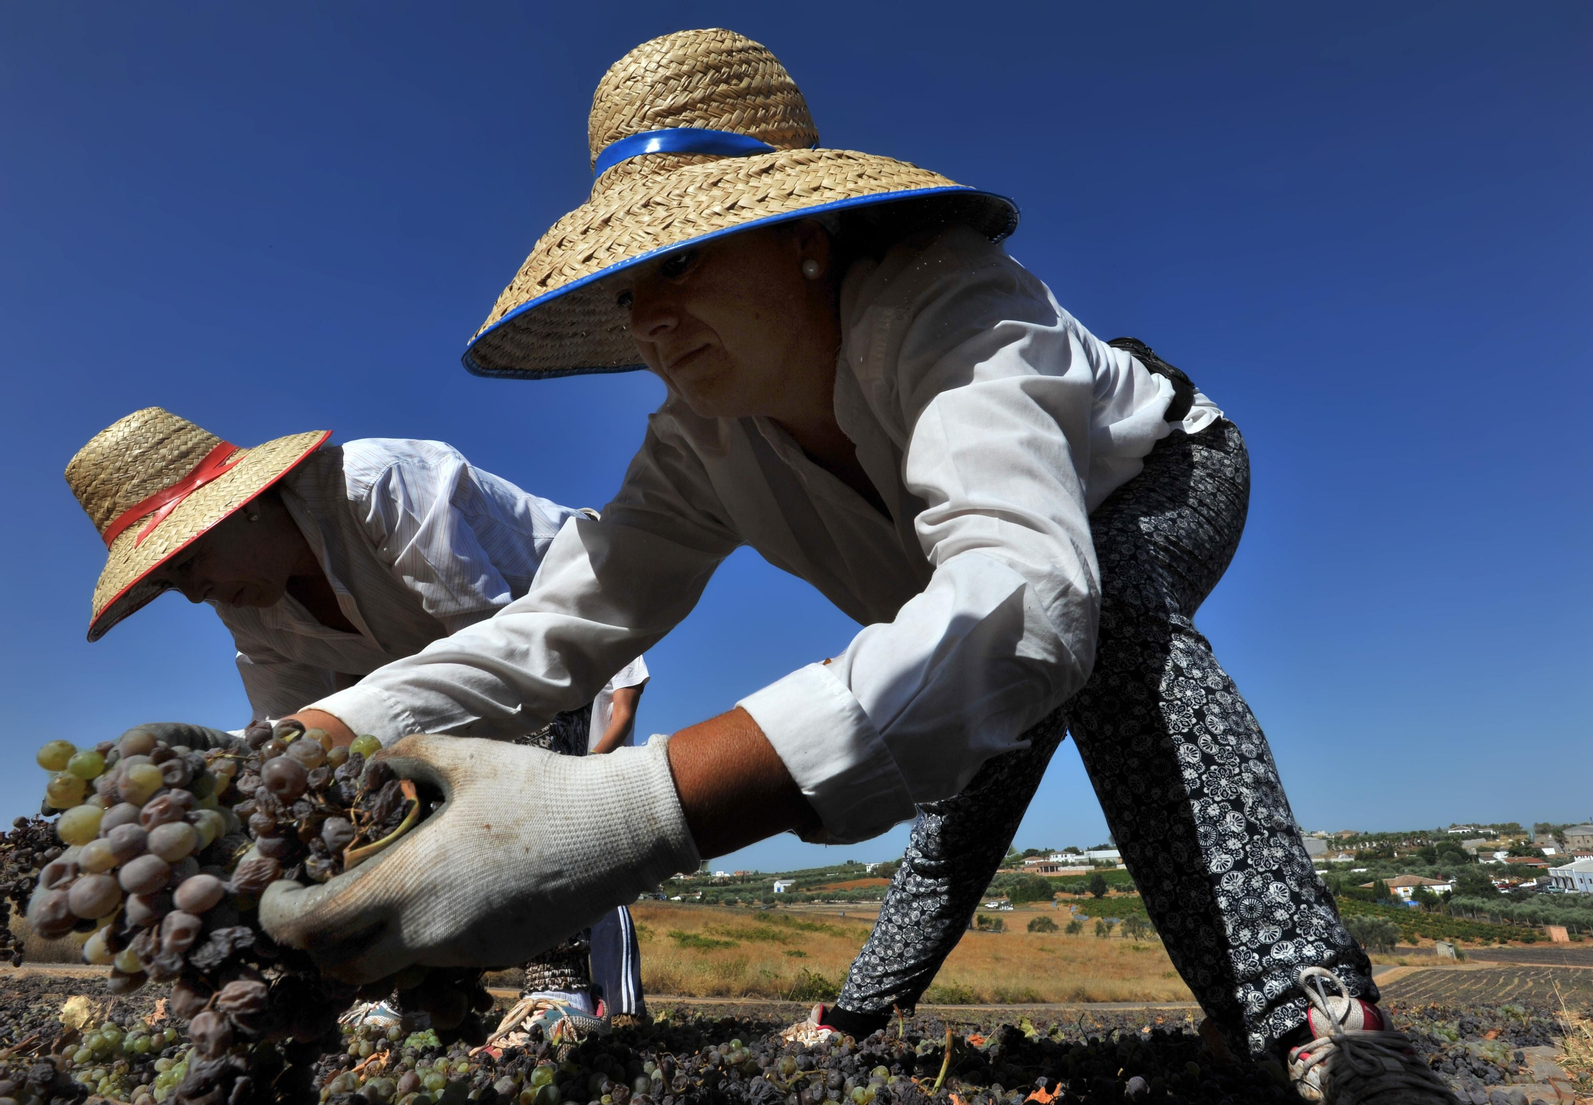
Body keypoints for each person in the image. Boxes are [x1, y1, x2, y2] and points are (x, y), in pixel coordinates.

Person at [230, 30, 1450, 1103]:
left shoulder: (950, 309)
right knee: (965, 744)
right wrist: (316, 735)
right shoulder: (696, 444)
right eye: (625, 286)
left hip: (1156, 474)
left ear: (803, 234)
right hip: (978, 577)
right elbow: (562, 621)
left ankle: (1314, 1018)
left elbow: (1029, 593)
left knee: (1104, 628)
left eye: (683, 260)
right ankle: (866, 1008)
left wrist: (647, 805)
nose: (648, 320)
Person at [64, 411, 649, 1025]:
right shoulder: (251, 611)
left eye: (188, 564)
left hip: (562, 649)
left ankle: (561, 989)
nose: (191, 593)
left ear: (242, 507)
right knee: (353, 798)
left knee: (525, 793)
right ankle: (397, 986)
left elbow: (501, 660)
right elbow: (294, 746)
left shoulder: (381, 487)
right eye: (169, 580)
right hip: (441, 686)